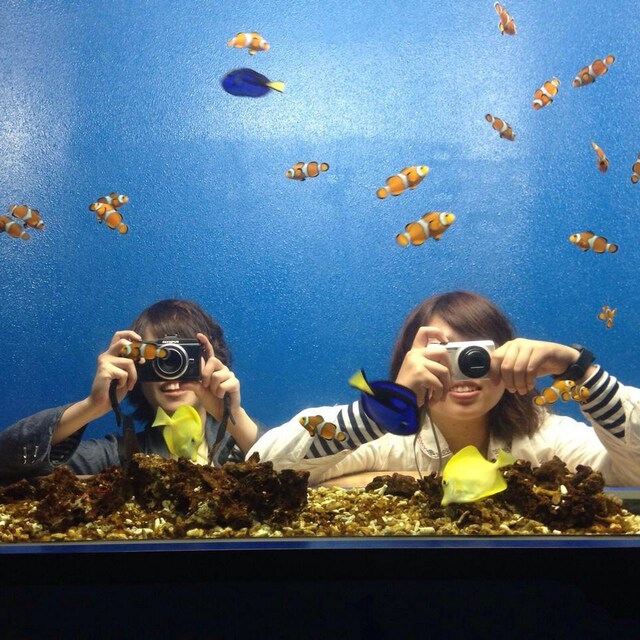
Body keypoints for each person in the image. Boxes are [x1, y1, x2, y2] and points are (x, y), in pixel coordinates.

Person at [249, 290, 640, 485]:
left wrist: (578, 369)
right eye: (445, 353)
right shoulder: (386, 437)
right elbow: (261, 468)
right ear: (410, 360)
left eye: (476, 355)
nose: (463, 372)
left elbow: (633, 476)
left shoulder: (547, 438)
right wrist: (382, 409)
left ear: (508, 356)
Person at [0, 299, 260, 481]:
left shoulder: (240, 445)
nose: (171, 371)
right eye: (158, 356)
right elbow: (7, 463)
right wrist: (93, 405)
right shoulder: (120, 455)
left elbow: (285, 469)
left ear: (210, 361)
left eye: (181, 356)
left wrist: (233, 417)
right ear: (135, 366)